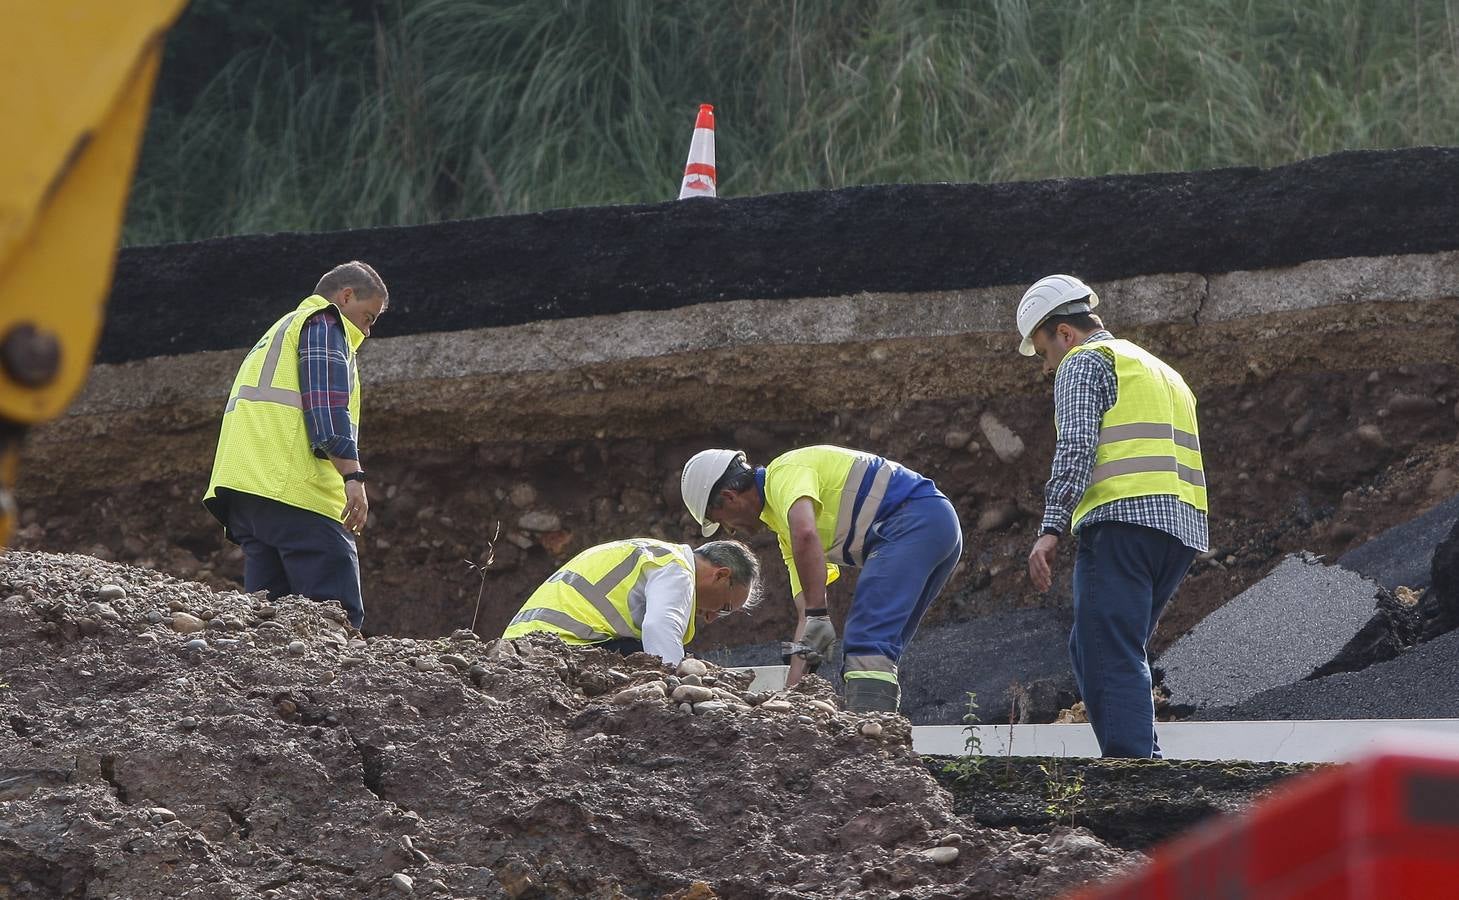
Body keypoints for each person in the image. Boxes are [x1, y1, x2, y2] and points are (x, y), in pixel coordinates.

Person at [1018, 273, 1209, 758]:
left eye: (1043, 352)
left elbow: (1077, 446)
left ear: (1065, 332)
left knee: (1110, 648)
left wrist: (1051, 527)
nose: (1046, 367)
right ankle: (1140, 758)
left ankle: (1134, 772)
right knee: (1098, 646)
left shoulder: (1084, 361)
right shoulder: (1162, 371)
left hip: (1122, 521)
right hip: (1180, 530)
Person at [680, 445, 963, 712]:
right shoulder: (784, 529)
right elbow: (807, 613)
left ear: (730, 497)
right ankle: (878, 732)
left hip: (914, 519)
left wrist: (817, 615)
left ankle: (869, 741)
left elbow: (806, 534)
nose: (729, 531)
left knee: (867, 636)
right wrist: (791, 694)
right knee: (880, 645)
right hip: (930, 524)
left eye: (721, 520)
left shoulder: (784, 473)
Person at [202, 261, 389, 629]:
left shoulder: (278, 331)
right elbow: (326, 405)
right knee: (334, 620)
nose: (367, 333)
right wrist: (353, 475)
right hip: (295, 495)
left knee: (269, 624)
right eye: (368, 318)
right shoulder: (323, 323)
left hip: (247, 496)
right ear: (345, 296)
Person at [502, 538, 760, 664]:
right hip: (560, 647)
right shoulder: (677, 568)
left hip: (515, 645)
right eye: (724, 608)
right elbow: (660, 627)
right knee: (647, 661)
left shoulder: (652, 553)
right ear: (720, 575)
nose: (712, 617)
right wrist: (677, 687)